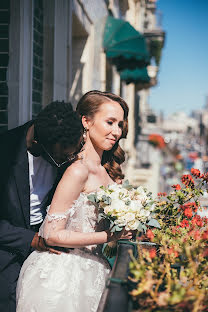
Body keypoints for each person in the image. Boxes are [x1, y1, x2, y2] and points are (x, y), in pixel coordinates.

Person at [16, 90, 132, 312]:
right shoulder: (77, 170)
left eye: (120, 124)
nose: (116, 131)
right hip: (60, 279)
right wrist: (109, 236)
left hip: (95, 274)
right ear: (86, 121)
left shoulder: (108, 172)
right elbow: (51, 234)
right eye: (110, 122)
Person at [0, 101, 83, 312]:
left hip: (53, 245)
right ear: (37, 143)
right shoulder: (4, 152)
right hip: (9, 249)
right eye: (62, 157)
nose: (68, 161)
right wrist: (32, 240)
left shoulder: (66, 147)